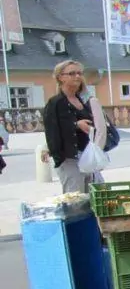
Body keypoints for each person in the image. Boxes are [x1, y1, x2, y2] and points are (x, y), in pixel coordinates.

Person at [43, 60, 95, 193]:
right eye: (72, 73)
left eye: (79, 73)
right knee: (75, 199)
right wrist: (76, 125)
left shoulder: (82, 100)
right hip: (69, 158)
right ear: (60, 77)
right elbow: (52, 129)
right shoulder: (55, 103)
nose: (77, 76)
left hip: (87, 155)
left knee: (92, 196)